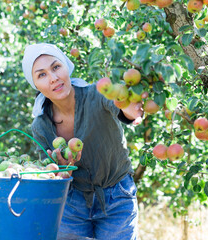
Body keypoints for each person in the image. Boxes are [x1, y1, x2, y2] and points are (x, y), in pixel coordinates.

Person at [22, 43, 143, 239]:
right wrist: (64, 171)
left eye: (56, 67)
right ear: (35, 84)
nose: (53, 78)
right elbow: (51, 176)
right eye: (41, 75)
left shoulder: (98, 94)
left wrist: (131, 108)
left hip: (116, 196)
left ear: (67, 67)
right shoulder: (40, 126)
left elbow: (122, 109)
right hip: (72, 203)